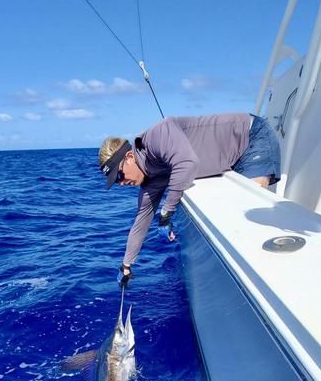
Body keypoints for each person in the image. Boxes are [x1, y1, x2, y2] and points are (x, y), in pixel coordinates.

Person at [98, 113, 281, 286]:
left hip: (251, 137)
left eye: (119, 175)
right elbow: (141, 222)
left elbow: (187, 164)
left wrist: (166, 212)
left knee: (249, 215)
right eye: (115, 181)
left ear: (130, 157)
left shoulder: (158, 134)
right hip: (231, 158)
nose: (120, 183)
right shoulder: (149, 182)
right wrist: (126, 266)